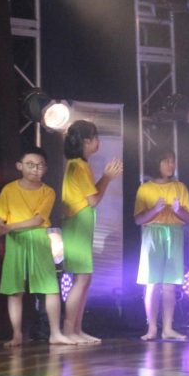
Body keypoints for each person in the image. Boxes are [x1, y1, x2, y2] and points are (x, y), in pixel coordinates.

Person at [0, 146, 74, 347]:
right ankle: (17, 335)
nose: (35, 169)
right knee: (14, 290)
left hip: (38, 238)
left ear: (45, 169)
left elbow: (38, 220)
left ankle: (55, 333)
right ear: (19, 166)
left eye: (40, 165)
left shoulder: (48, 191)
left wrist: (8, 227)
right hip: (15, 241)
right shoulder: (9, 189)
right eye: (30, 165)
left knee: (50, 288)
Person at [61, 119, 123, 344]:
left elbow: (91, 197)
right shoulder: (77, 165)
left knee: (85, 279)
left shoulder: (80, 165)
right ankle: (69, 330)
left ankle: (76, 329)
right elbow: (94, 200)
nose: (98, 142)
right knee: (82, 279)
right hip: (77, 225)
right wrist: (107, 177)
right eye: (96, 138)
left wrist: (105, 178)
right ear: (86, 141)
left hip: (81, 225)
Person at [134, 148, 189, 341]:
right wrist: (154, 210)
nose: (171, 165)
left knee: (170, 284)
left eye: (172, 161)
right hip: (153, 233)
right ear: (156, 163)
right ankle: (151, 328)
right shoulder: (145, 188)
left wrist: (178, 210)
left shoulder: (180, 187)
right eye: (166, 161)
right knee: (152, 283)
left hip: (174, 233)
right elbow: (138, 219)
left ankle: (168, 328)